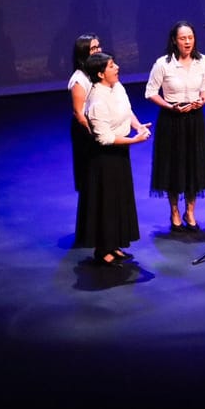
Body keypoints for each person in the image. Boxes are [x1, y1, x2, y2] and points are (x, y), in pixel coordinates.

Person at [76, 52, 152, 267]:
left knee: (120, 198)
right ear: (100, 74)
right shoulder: (97, 98)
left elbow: (127, 111)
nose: (116, 67)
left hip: (119, 153)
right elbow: (104, 138)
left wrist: (137, 126)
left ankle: (115, 243)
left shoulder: (116, 87)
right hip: (103, 159)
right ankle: (102, 248)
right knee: (106, 201)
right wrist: (134, 141)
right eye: (111, 66)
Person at [145, 21, 205, 232]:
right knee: (173, 167)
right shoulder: (163, 64)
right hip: (171, 119)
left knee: (194, 165)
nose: (187, 42)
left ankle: (190, 211)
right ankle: (174, 210)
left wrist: (202, 100)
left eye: (190, 37)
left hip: (194, 119)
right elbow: (150, 92)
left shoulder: (202, 61)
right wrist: (169, 106)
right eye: (183, 38)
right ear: (175, 40)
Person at [69, 33, 101, 243]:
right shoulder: (79, 79)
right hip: (86, 134)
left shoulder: (94, 74)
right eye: (93, 49)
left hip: (97, 129)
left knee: (99, 180)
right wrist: (96, 132)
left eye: (98, 47)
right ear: (83, 53)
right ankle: (88, 233)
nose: (98, 51)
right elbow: (79, 113)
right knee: (89, 179)